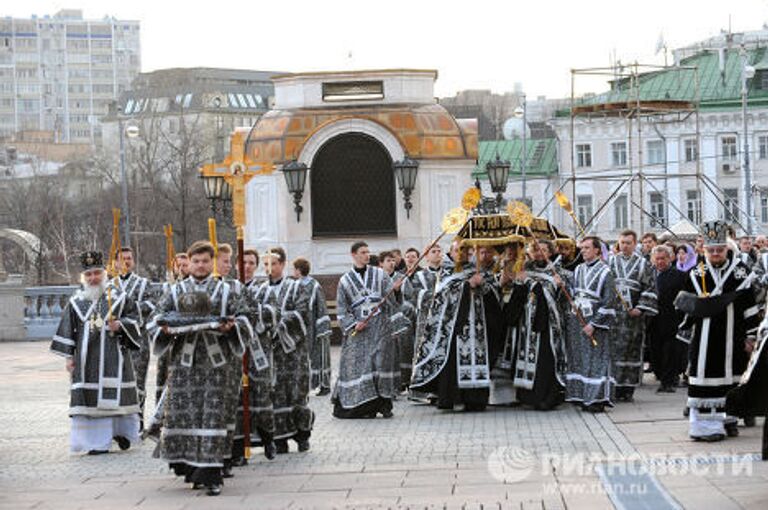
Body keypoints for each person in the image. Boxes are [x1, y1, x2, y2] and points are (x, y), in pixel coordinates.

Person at [148, 241, 252, 495]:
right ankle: (192, 469)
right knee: (187, 414)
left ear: (213, 262)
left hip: (219, 367)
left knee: (213, 417)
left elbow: (247, 318)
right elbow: (155, 320)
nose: (201, 265)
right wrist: (162, 329)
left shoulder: (228, 291)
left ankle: (212, 474)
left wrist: (232, 327)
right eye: (196, 261)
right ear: (190, 263)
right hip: (185, 366)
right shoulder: (175, 291)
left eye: (206, 261)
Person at [51, 251, 142, 455]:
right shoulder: (76, 301)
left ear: (104, 273)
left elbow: (136, 321)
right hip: (86, 361)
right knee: (90, 401)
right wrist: (68, 358)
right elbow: (67, 329)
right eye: (89, 275)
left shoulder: (119, 297)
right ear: (83, 277)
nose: (93, 278)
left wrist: (120, 325)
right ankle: (97, 442)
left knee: (116, 400)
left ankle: (120, 433)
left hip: (115, 358)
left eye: (96, 273)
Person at [676, 221, 760, 441]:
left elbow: (750, 308)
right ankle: (705, 428)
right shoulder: (696, 273)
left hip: (733, 335)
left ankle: (728, 420)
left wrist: (751, 337)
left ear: (727, 248)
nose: (715, 253)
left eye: (719, 249)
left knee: (732, 378)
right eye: (711, 250)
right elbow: (683, 305)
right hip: (704, 336)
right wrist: (694, 308)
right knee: (704, 377)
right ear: (705, 250)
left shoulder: (742, 273)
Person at [410, 241, 494, 412]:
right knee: (453, 360)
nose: (461, 253)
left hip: (478, 326)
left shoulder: (479, 269)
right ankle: (452, 397)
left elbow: (493, 294)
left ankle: (475, 399)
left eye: (466, 250)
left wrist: (483, 284)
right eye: (457, 250)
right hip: (453, 326)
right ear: (452, 252)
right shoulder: (447, 271)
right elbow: (442, 295)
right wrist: (467, 285)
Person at [252, 248, 313, 453]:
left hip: (293, 351)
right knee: (275, 394)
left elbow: (303, 314)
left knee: (296, 392)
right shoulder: (259, 291)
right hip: (271, 351)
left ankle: (302, 435)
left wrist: (277, 322)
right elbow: (256, 317)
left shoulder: (296, 287)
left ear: (283, 264)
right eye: (266, 264)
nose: (271, 268)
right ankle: (279, 438)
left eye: (274, 263)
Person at [333, 242, 401, 418]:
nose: (367, 255)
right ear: (353, 255)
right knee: (362, 367)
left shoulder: (380, 275)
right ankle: (366, 407)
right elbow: (341, 309)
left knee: (380, 364)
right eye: (363, 252)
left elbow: (391, 301)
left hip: (380, 328)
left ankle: (384, 405)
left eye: (368, 252)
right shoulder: (345, 280)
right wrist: (353, 324)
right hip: (359, 332)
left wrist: (396, 290)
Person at [499, 240, 569, 410]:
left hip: (547, 324)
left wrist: (557, 285)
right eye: (535, 249)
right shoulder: (524, 268)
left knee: (546, 359)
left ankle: (547, 397)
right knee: (526, 359)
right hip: (526, 323)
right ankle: (527, 397)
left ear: (550, 252)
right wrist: (519, 281)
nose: (539, 253)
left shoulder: (557, 270)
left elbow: (558, 296)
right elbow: (516, 293)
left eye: (543, 250)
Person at [231, 247, 278, 466]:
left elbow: (272, 315)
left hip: (258, 352)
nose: (246, 267)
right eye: (243, 262)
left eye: (251, 263)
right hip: (235, 353)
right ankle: (239, 448)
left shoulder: (265, 290)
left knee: (261, 398)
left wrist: (251, 311)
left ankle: (268, 438)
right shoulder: (228, 288)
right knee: (238, 402)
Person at [565, 236, 617, 413]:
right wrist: (562, 284)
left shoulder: (606, 272)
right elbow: (572, 291)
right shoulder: (578, 269)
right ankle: (581, 396)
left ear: (597, 250)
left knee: (596, 360)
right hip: (577, 321)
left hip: (595, 324)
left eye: (587, 247)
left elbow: (609, 301)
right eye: (581, 248)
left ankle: (596, 399)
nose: (583, 251)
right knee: (580, 359)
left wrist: (594, 324)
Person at [608, 230, 658, 402]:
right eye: (622, 242)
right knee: (613, 352)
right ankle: (614, 387)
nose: (625, 246)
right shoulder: (610, 262)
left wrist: (640, 307)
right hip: (614, 316)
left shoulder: (644, 264)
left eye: (628, 242)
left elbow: (650, 288)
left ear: (635, 243)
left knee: (631, 351)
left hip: (633, 317)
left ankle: (628, 389)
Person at [114, 247, 154, 429]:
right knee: (116, 381)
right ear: (115, 262)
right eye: (122, 259)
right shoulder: (109, 285)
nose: (126, 262)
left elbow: (152, 305)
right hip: (114, 342)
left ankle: (137, 423)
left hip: (139, 341)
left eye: (129, 258)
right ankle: (119, 425)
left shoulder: (144, 284)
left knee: (138, 382)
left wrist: (126, 311)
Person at [649, 245, 688, 393]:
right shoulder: (649, 274)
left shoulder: (679, 275)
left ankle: (668, 381)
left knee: (670, 352)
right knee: (656, 351)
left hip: (672, 319)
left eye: (663, 259)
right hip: (653, 319)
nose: (660, 262)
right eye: (657, 259)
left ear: (670, 258)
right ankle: (661, 376)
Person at [292, 257, 332, 396]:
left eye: (294, 269)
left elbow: (321, 306)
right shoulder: (294, 285)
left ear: (298, 270)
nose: (293, 272)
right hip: (301, 326)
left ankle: (324, 384)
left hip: (314, 326)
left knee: (319, 356)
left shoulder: (314, 285)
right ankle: (303, 385)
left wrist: (322, 328)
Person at [380, 250, 415, 391]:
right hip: (385, 323)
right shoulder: (378, 279)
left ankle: (404, 381)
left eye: (393, 260)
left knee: (404, 352)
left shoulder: (402, 278)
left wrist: (399, 293)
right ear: (381, 263)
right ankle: (389, 382)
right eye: (388, 261)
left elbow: (410, 298)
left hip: (402, 321)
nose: (392, 263)